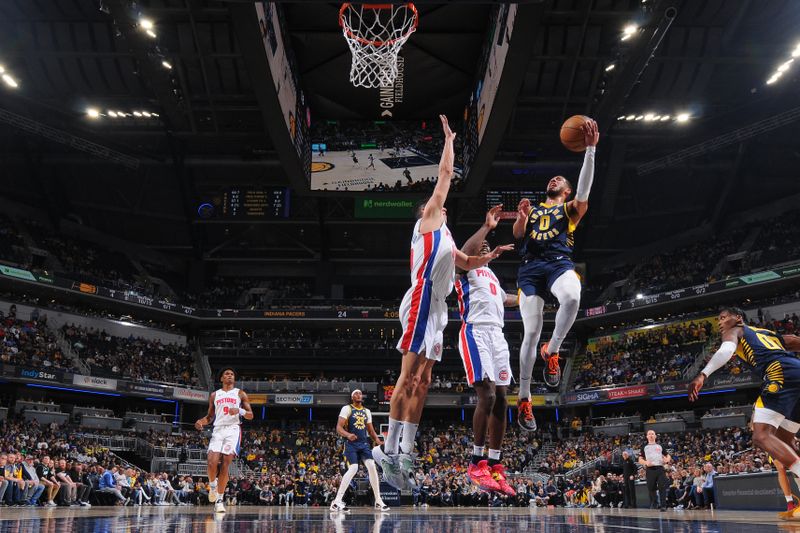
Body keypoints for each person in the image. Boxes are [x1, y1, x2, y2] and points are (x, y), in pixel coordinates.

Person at [373, 115, 513, 490]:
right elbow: (446, 175)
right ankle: (388, 449)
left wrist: (491, 250)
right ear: (427, 211)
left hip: (438, 308)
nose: (442, 205)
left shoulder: (447, 238)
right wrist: (449, 140)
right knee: (408, 376)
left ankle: (404, 452)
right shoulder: (430, 220)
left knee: (424, 380)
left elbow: (467, 263)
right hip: (421, 296)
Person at [514, 118, 599, 431]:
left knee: (573, 295)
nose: (553, 179)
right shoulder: (534, 210)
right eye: (552, 178)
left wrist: (590, 149)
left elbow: (586, 187)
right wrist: (522, 218)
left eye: (559, 179)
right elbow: (518, 235)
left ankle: (553, 350)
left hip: (559, 262)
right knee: (531, 331)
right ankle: (524, 398)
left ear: (567, 191)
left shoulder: (570, 209)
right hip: (530, 268)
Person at [688, 307, 800, 518]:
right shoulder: (764, 333)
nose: (720, 322)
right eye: (718, 319)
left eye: (723, 318)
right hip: (796, 369)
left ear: (738, 318)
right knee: (786, 441)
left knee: (761, 435)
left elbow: (725, 351)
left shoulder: (736, 330)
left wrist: (703, 374)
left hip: (778, 373)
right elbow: (793, 340)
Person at [456, 205, 518, 497]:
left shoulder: (492, 278)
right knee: (488, 395)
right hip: (475, 331)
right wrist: (486, 227)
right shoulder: (464, 269)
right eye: (478, 246)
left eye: (486, 246)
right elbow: (465, 254)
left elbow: (509, 299)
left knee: (503, 398)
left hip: (498, 336)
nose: (482, 246)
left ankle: (495, 463)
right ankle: (475, 461)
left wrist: (535, 295)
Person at [195, 367, 254, 513]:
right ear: (221, 378)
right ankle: (213, 486)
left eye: (232, 374)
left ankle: (219, 501)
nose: (230, 375)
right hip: (218, 429)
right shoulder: (215, 395)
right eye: (227, 374)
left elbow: (250, 415)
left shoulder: (240, 393)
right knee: (211, 462)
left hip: (233, 429)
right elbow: (209, 417)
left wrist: (239, 411)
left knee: (225, 463)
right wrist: (201, 422)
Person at [330, 390, 389, 512]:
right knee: (353, 468)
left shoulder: (367, 411)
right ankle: (336, 502)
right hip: (351, 444)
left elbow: (371, 431)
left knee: (372, 466)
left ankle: (378, 500)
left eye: (360, 393)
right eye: (356, 393)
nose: (359, 395)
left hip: (363, 444)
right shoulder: (347, 409)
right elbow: (338, 428)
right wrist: (347, 435)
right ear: (352, 397)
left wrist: (378, 441)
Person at [638, 429, 671, 511]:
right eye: (649, 434)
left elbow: (668, 455)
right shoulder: (644, 447)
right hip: (650, 469)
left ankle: (663, 505)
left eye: (652, 434)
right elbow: (640, 459)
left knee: (662, 487)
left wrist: (667, 460)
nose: (651, 435)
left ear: (655, 436)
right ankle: (655, 502)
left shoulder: (660, 446)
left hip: (660, 468)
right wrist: (645, 462)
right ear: (647, 436)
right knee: (651, 487)